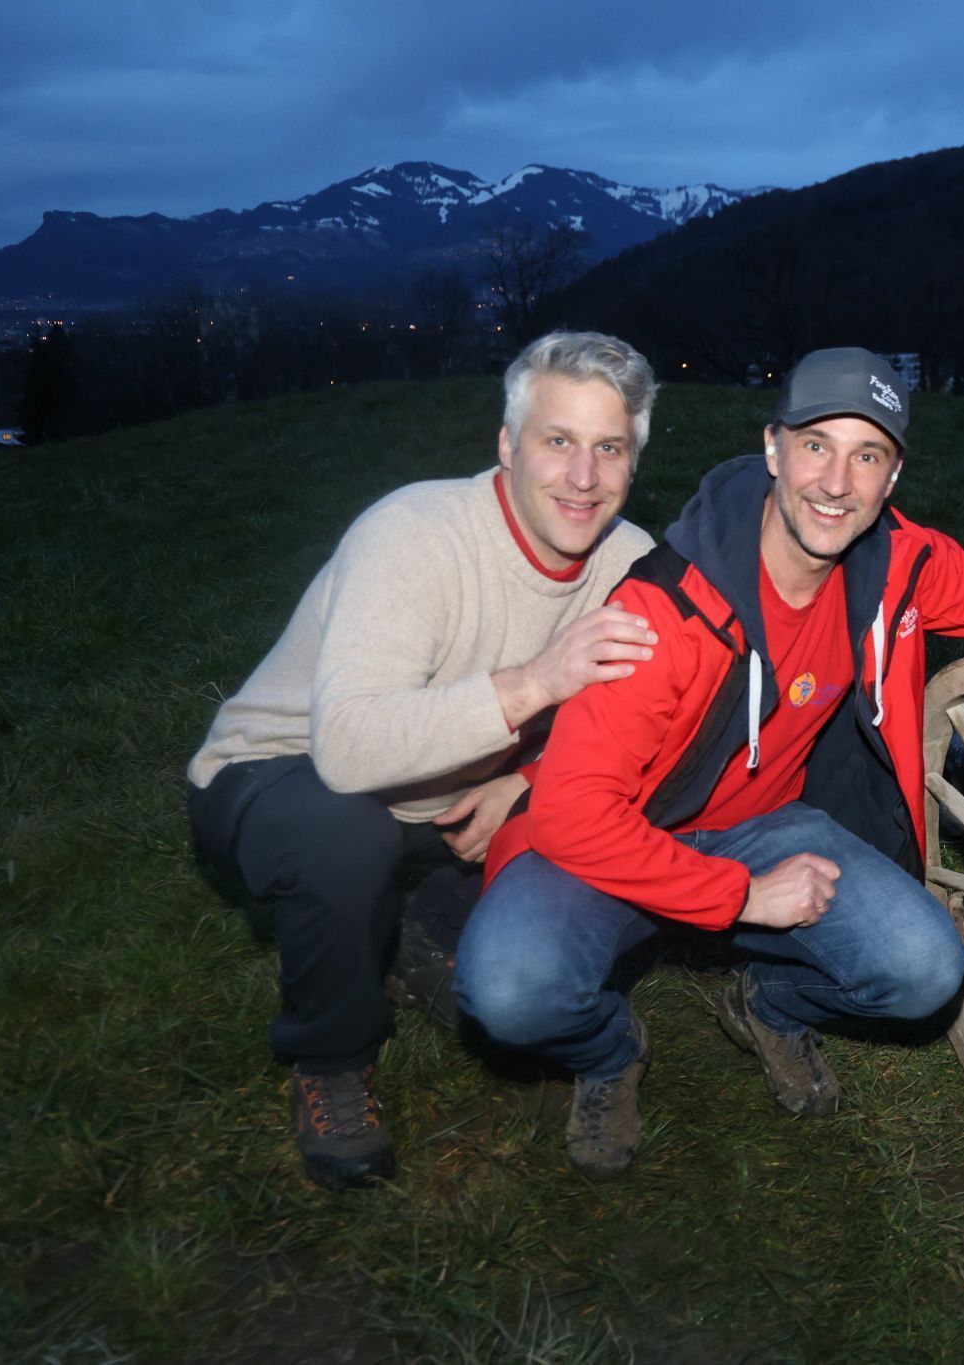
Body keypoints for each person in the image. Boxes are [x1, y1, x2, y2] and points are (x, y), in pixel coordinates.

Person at [454, 347, 964, 1180]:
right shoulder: (664, 610)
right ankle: (608, 1055)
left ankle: (768, 1003)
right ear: (772, 448)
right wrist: (742, 896)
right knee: (508, 987)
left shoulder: (896, 566)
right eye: (817, 444)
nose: (836, 481)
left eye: (868, 455)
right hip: (618, 839)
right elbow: (575, 814)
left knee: (927, 968)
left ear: (891, 479)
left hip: (763, 826)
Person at [186, 330, 662, 1190]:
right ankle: (331, 1056)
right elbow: (349, 747)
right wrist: (533, 683)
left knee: (589, 831)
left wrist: (527, 779)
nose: (583, 477)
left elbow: (658, 727)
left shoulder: (632, 563)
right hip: (281, 771)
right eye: (558, 442)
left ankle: (423, 932)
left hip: (458, 791)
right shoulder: (415, 533)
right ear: (508, 444)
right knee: (343, 837)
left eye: (609, 448)